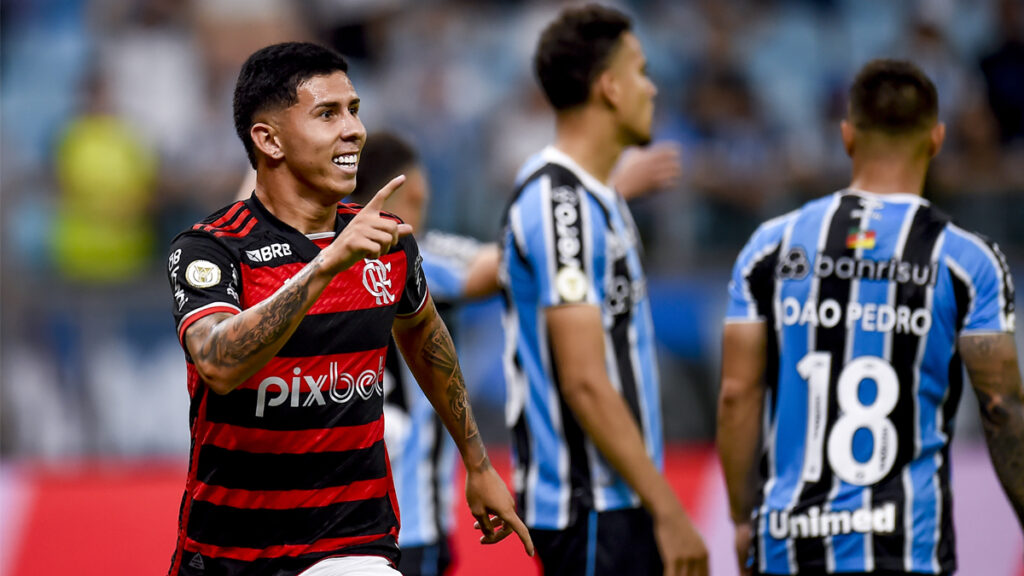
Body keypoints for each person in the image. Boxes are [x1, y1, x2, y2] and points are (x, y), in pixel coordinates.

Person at [164, 41, 533, 576]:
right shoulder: (211, 248)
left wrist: (478, 464)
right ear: (268, 140)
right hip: (229, 551)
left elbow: (425, 337)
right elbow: (218, 363)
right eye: (327, 113)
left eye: (354, 110)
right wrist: (325, 266)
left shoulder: (387, 241)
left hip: (353, 540)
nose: (353, 130)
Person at [718, 58, 1024, 576]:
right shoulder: (968, 261)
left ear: (846, 136)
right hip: (906, 547)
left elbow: (735, 395)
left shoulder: (769, 246)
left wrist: (742, 519)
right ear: (936, 139)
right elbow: (1004, 410)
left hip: (790, 546)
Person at [344, 129, 684, 576]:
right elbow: (513, 258)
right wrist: (605, 194)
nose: (418, 217)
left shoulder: (315, 259)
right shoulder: (413, 257)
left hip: (341, 521)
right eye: (417, 202)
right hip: (410, 521)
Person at [499, 5, 708, 576]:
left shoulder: (588, 199)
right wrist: (669, 509)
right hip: (590, 506)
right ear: (610, 88)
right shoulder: (560, 204)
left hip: (618, 501)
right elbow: (586, 381)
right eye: (640, 70)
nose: (653, 86)